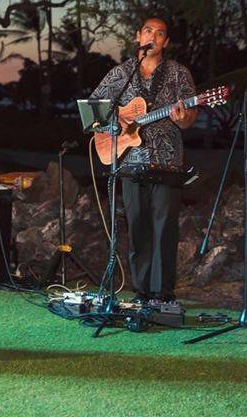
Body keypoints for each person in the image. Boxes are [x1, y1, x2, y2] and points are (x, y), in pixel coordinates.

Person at [89, 16, 197, 305]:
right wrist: (118, 125)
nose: (153, 36)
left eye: (160, 33)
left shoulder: (178, 74)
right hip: (128, 159)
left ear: (166, 42)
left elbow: (189, 120)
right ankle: (141, 291)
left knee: (165, 228)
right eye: (149, 31)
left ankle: (163, 294)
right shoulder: (120, 74)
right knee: (137, 227)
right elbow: (93, 112)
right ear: (138, 36)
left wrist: (184, 118)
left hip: (167, 161)